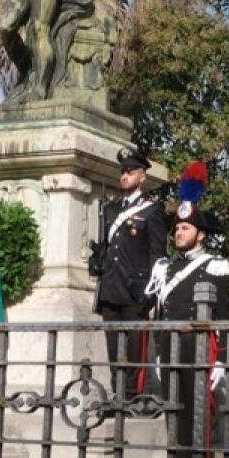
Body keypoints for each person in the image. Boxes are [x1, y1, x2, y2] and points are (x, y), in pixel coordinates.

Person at [146, 185, 229, 458]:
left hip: (199, 347)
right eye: (177, 228)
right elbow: (158, 313)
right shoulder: (166, 267)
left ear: (201, 234)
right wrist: (157, 350)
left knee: (197, 416)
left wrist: (222, 360)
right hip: (170, 346)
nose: (178, 233)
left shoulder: (215, 265)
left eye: (185, 228)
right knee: (175, 413)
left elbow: (225, 315)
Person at [92, 152, 167, 397]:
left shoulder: (152, 211)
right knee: (114, 350)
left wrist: (153, 292)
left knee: (135, 350)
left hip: (136, 292)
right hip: (111, 289)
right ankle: (118, 396)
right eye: (123, 172)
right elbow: (107, 248)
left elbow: (157, 256)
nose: (125, 176)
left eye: (130, 172)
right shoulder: (110, 209)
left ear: (142, 176)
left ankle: (133, 396)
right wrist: (97, 259)